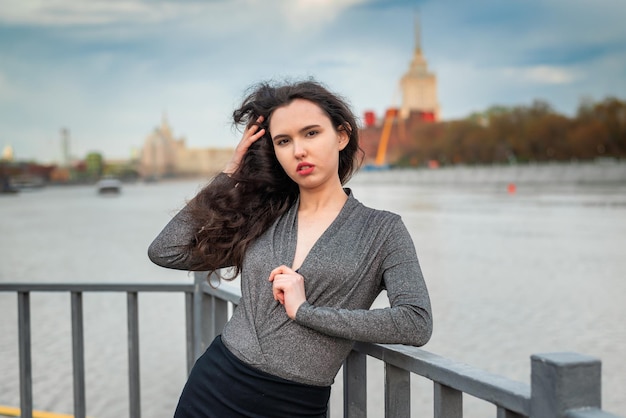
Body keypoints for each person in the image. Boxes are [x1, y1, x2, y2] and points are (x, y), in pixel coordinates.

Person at [148, 79, 433, 418]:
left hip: (295, 405)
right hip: (213, 388)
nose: (299, 150)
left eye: (311, 133)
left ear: (341, 136)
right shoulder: (264, 216)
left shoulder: (383, 230)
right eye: (284, 141)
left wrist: (306, 311)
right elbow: (166, 251)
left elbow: (416, 322)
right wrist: (230, 173)